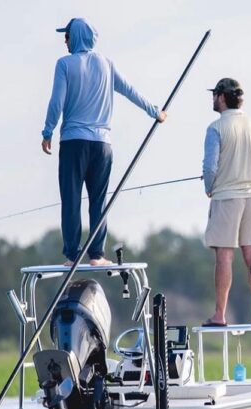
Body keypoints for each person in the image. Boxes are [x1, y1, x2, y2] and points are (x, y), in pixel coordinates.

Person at [41, 18, 166, 266]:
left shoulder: (64, 64)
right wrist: (155, 111)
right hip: (102, 146)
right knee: (99, 199)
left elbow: (57, 102)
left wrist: (47, 132)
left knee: (72, 198)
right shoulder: (107, 64)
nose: (65, 41)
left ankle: (72, 255)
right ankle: (96, 255)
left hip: (74, 143)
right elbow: (131, 91)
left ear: (75, 37)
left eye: (66, 36)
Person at [202, 78, 251, 326]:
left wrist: (209, 187)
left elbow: (210, 167)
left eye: (214, 95)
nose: (212, 99)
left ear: (221, 97)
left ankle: (220, 314)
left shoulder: (215, 128)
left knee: (224, 255)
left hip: (226, 197)